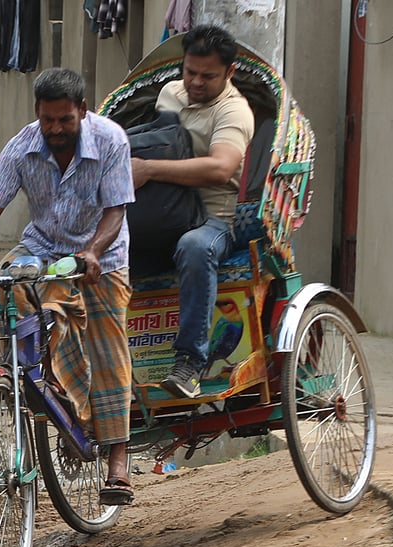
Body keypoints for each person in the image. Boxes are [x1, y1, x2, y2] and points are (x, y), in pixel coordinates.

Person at [0, 67, 137, 505]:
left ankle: (118, 461)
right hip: (41, 248)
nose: (57, 129)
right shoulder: (21, 148)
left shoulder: (112, 141)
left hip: (101, 256)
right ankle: (34, 382)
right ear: (37, 115)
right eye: (48, 121)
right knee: (6, 283)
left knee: (107, 344)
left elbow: (115, 211)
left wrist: (93, 253)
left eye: (65, 120)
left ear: (84, 110)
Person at [130, 23, 254, 399]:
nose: (196, 83)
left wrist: (149, 169)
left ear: (229, 72)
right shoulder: (170, 93)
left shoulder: (234, 112)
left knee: (194, 246)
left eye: (208, 76)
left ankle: (190, 363)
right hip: (160, 216)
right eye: (190, 72)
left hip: (212, 220)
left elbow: (221, 167)